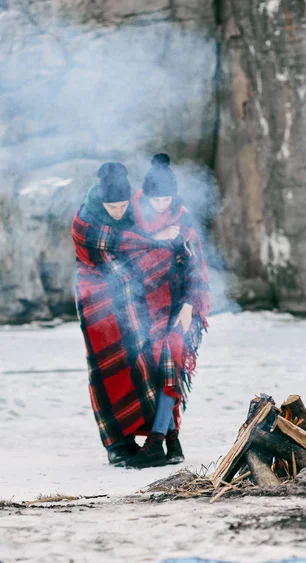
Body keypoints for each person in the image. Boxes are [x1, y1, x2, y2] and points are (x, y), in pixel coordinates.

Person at [72, 162, 179, 467]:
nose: (119, 211)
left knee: (144, 365)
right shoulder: (84, 220)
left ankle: (155, 437)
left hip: (134, 302)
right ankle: (118, 444)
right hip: (97, 304)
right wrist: (158, 238)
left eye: (122, 205)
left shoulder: (132, 212)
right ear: (101, 201)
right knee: (109, 374)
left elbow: (142, 252)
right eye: (112, 206)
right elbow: (120, 242)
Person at [125, 153, 210, 469]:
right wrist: (152, 238)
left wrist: (189, 305)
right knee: (158, 372)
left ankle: (157, 440)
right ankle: (173, 443)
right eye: (156, 199)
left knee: (170, 367)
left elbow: (195, 269)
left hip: (180, 306)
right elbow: (124, 249)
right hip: (145, 307)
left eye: (166, 198)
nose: (161, 204)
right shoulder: (136, 218)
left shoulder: (183, 221)